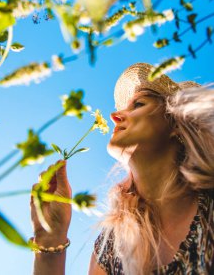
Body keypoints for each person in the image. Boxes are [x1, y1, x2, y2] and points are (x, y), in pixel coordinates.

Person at [30, 63, 214, 274]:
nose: (115, 116)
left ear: (174, 124)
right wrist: (50, 238)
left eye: (138, 104)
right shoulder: (112, 244)